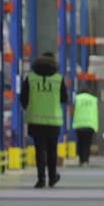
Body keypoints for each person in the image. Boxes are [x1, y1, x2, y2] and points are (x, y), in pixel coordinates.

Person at [20, 52, 68, 188]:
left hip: (35, 120)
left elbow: (23, 98)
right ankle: (52, 177)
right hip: (53, 121)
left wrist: (31, 108)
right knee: (52, 149)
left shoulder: (30, 78)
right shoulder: (58, 79)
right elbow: (64, 98)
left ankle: (41, 179)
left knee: (39, 149)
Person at [72, 86, 99, 167]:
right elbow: (95, 112)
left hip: (79, 124)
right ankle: (86, 161)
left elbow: (73, 110)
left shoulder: (77, 98)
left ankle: (81, 160)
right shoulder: (94, 99)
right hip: (90, 125)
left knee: (80, 143)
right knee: (87, 144)